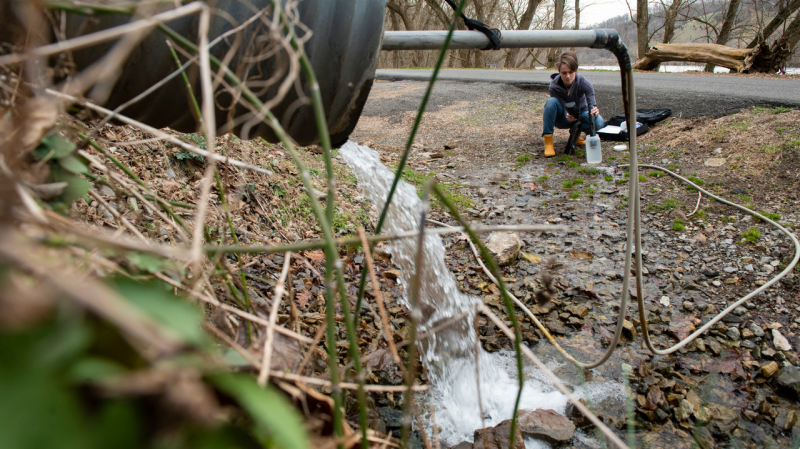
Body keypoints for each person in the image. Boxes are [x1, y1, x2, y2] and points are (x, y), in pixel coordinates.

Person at [542, 51, 605, 157]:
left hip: (581, 116)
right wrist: (568, 114)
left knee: (599, 122)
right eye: (564, 73)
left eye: (571, 72)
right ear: (559, 72)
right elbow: (561, 105)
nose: (568, 76)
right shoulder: (554, 86)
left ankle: (576, 133)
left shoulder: (585, 84)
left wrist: (594, 110)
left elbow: (592, 104)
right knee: (551, 102)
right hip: (563, 118)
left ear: (576, 70)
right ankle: (548, 142)